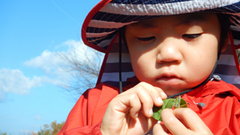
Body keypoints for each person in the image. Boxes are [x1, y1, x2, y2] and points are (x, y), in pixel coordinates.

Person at [58, 0, 240, 134]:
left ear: (223, 41)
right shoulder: (95, 103)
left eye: (191, 35)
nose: (168, 54)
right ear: (126, 46)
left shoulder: (235, 110)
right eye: (146, 38)